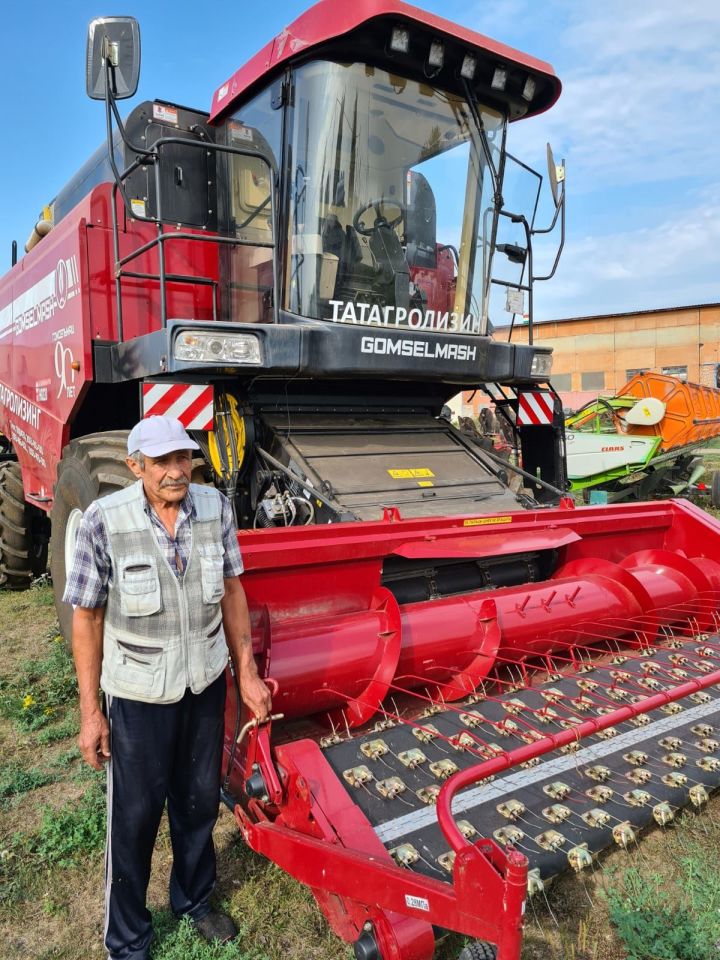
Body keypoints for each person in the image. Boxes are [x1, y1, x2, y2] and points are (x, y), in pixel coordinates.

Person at [63, 415, 272, 960]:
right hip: (137, 693)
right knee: (134, 816)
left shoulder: (215, 509)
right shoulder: (103, 520)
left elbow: (231, 590)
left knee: (200, 801)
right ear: (135, 467)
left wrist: (245, 674)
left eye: (183, 459)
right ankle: (127, 938)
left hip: (202, 683)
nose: (176, 471)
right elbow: (86, 618)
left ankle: (194, 900)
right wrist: (91, 712)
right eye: (161, 463)